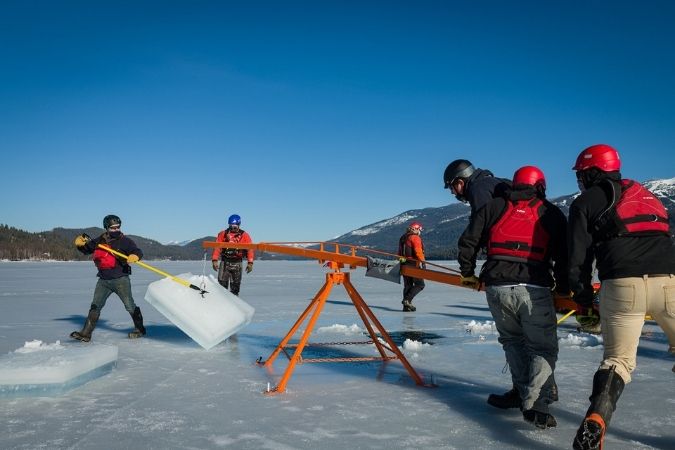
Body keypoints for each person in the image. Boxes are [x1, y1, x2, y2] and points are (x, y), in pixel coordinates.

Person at [568, 144, 675, 450]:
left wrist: (584, 300)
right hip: (669, 284)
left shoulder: (586, 201)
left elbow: (578, 259)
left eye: (580, 174)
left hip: (622, 286)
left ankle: (598, 418)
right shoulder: (648, 196)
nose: (579, 181)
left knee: (618, 361)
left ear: (592, 172)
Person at [457, 166, 568, 429]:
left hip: (497, 287)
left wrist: (467, 273)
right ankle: (535, 404)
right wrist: (564, 287)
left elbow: (469, 241)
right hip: (534, 288)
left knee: (512, 341)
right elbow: (565, 256)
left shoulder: (494, 206)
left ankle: (520, 392)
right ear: (540, 185)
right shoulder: (550, 213)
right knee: (542, 348)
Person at [71, 214, 146, 342]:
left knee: (129, 305)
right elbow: (88, 249)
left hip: (120, 279)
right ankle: (85, 334)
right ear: (106, 228)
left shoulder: (125, 241)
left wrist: (135, 256)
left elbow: (137, 251)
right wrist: (80, 244)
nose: (116, 230)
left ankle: (140, 329)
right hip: (103, 280)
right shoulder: (100, 239)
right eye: (113, 228)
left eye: (118, 227)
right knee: (95, 306)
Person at [211, 214, 255, 296]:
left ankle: (234, 305)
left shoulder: (244, 235)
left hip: (237, 263)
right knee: (221, 287)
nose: (233, 228)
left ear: (239, 225)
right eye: (231, 226)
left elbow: (250, 249)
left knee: (235, 288)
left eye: (235, 226)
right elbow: (217, 247)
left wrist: (250, 263)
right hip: (225, 262)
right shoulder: (223, 234)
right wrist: (214, 260)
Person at [398, 221, 426, 312]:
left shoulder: (403, 237)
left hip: (403, 264)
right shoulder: (415, 237)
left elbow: (399, 253)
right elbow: (418, 251)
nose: (420, 232)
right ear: (416, 228)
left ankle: (406, 307)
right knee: (420, 285)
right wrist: (423, 262)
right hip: (413, 264)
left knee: (408, 285)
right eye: (419, 229)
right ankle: (407, 300)